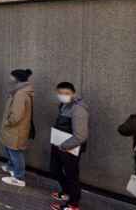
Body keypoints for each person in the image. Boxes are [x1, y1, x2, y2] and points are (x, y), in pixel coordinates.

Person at [50, 82, 89, 210]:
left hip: (70, 147)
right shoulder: (64, 105)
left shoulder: (79, 109)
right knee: (54, 169)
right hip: (59, 144)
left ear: (73, 93)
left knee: (72, 175)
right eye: (60, 93)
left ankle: (73, 204)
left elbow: (81, 136)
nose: (63, 96)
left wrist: (64, 146)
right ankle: (67, 192)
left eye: (66, 93)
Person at [0, 69, 34, 187]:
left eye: (11, 76)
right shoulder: (19, 91)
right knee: (10, 149)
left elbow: (16, 115)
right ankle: (11, 167)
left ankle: (18, 177)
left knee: (15, 152)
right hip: (14, 129)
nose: (10, 78)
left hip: (15, 129)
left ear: (16, 78)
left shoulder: (20, 94)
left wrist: (8, 122)